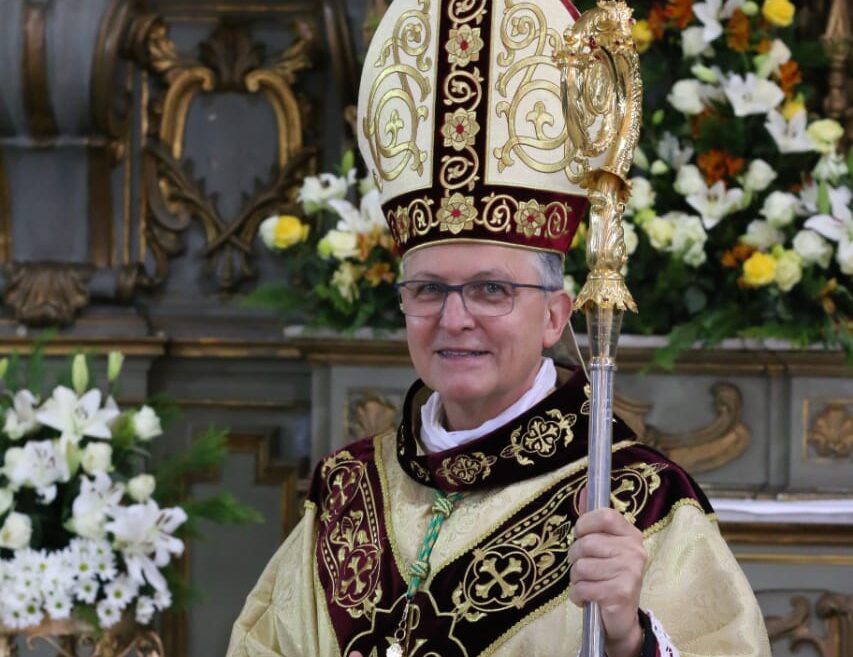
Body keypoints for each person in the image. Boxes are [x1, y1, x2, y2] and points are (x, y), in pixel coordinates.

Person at [227, 1, 771, 656]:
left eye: (490, 289)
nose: (454, 319)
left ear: (553, 315)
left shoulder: (637, 499)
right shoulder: (347, 489)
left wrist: (629, 638)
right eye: (428, 289)